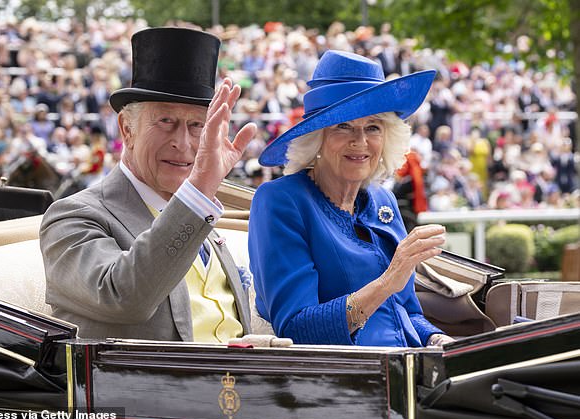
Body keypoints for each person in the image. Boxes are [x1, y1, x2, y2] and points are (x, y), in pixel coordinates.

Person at [39, 27, 256, 341]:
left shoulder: (205, 220)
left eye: (197, 125)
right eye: (166, 121)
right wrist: (198, 192)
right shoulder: (73, 217)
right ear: (127, 129)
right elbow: (124, 298)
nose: (182, 143)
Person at [249, 50, 454, 347]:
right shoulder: (280, 201)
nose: (360, 141)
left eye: (373, 127)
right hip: (345, 380)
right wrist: (386, 283)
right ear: (316, 138)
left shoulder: (383, 201)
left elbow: (405, 313)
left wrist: (437, 338)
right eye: (343, 126)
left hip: (409, 366)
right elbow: (295, 328)